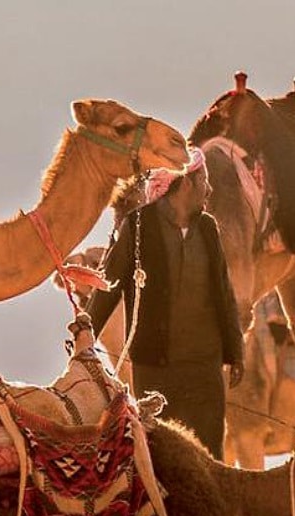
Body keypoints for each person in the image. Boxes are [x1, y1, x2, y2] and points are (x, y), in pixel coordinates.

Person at [87, 148, 243, 461]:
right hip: (156, 370)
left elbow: (223, 292)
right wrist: (83, 334)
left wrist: (235, 350)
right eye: (204, 182)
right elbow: (109, 286)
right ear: (186, 185)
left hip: (204, 369)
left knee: (209, 458)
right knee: (158, 460)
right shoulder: (138, 228)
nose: (208, 190)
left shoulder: (209, 229)